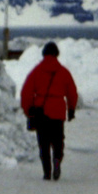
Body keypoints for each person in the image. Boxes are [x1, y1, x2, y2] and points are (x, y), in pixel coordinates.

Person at [20, 41, 79, 181]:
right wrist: (71, 110)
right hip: (58, 111)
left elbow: (26, 92)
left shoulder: (37, 71)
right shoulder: (64, 72)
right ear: (57, 54)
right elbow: (72, 93)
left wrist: (28, 110)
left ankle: (47, 172)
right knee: (58, 140)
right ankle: (57, 159)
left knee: (44, 143)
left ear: (44, 54)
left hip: (41, 111)